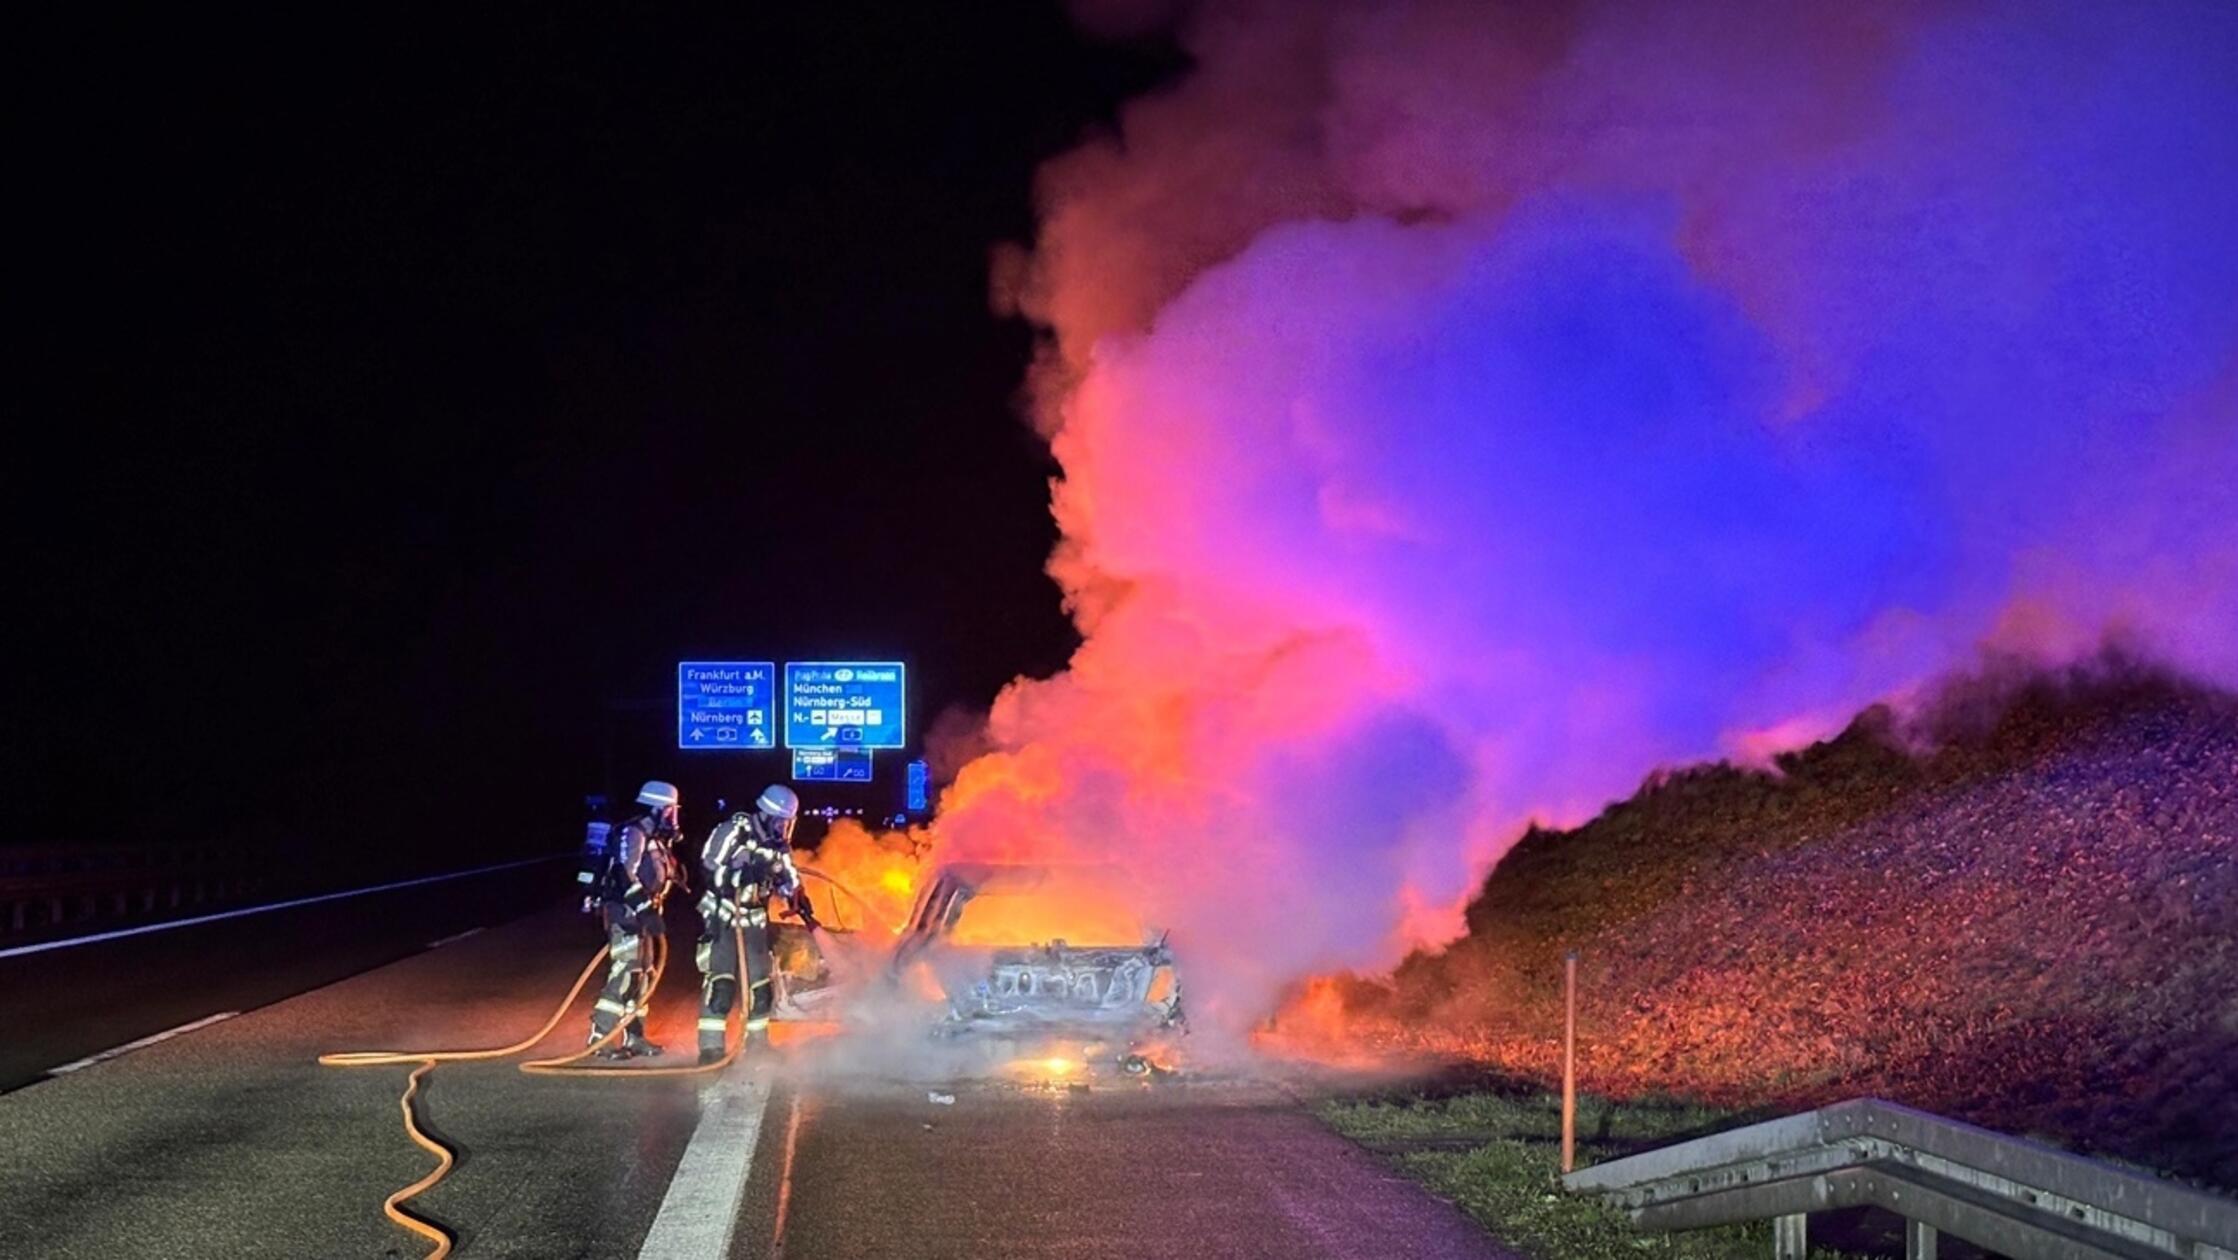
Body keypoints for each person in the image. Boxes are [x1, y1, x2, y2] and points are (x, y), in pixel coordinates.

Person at [695, 784, 817, 1064]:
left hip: (754, 919)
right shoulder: (733, 832)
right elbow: (709, 869)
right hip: (723, 917)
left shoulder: (777, 845)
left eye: (787, 822)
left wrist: (797, 895)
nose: (784, 828)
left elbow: (787, 874)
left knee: (761, 985)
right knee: (722, 984)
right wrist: (744, 875)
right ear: (766, 815)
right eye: (781, 821)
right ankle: (711, 1048)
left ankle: (758, 1044)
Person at [586, 779, 684, 1058]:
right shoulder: (634, 833)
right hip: (626, 915)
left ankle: (635, 1037)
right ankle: (600, 1038)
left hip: (642, 917)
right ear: (657, 809)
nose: (673, 817)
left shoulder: (654, 838)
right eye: (670, 810)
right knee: (625, 974)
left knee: (643, 977)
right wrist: (644, 909)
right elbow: (624, 874)